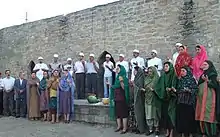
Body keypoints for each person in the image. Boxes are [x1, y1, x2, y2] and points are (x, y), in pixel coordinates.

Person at [195, 60, 218, 137]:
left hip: (209, 98)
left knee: (209, 114)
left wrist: (208, 81)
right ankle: (203, 132)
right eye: (203, 64)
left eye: (205, 64)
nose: (203, 65)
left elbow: (215, 86)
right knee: (202, 114)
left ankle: (211, 133)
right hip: (202, 99)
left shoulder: (213, 74)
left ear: (209, 66)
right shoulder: (202, 75)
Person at [155, 62, 177, 137]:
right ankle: (167, 131)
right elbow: (158, 86)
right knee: (165, 115)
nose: (165, 68)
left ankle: (171, 132)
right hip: (164, 99)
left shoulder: (173, 75)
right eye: (164, 66)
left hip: (171, 99)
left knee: (171, 115)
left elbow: (175, 85)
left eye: (167, 66)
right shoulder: (163, 76)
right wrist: (162, 91)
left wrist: (171, 89)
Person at [176, 67, 198, 137]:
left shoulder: (191, 80)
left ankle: (190, 134)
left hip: (189, 103)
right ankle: (182, 134)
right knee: (181, 119)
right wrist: (175, 90)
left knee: (189, 119)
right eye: (181, 71)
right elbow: (178, 89)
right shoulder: (180, 80)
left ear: (187, 71)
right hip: (181, 102)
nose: (181, 72)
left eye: (183, 71)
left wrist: (189, 90)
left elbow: (196, 90)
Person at [109, 65, 130, 134]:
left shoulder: (125, 78)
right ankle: (119, 126)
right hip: (117, 98)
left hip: (122, 98)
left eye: (118, 69)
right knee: (117, 114)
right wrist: (110, 85)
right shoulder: (117, 77)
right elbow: (115, 87)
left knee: (124, 114)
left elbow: (125, 88)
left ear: (122, 70)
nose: (117, 70)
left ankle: (125, 128)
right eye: (116, 68)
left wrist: (121, 81)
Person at [141, 66, 160, 136]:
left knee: (155, 114)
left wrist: (154, 90)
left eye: (151, 71)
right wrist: (144, 90)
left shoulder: (157, 78)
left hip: (155, 99)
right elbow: (145, 87)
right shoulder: (146, 79)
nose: (149, 73)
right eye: (148, 71)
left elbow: (159, 88)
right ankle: (150, 129)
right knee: (148, 114)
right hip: (147, 98)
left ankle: (157, 129)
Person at [133, 66, 146, 134]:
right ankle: (137, 127)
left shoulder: (141, 78)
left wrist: (135, 86)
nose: (134, 72)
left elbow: (140, 88)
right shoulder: (136, 78)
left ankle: (141, 129)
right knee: (137, 114)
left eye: (135, 71)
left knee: (140, 114)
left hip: (140, 99)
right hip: (136, 99)